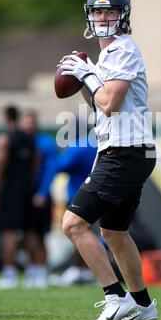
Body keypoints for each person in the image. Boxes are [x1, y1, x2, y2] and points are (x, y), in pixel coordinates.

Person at [58, 0, 158, 320]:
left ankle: (115, 297)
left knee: (73, 224)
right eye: (97, 11)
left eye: (109, 11)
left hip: (125, 152)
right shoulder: (109, 55)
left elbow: (111, 104)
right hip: (127, 150)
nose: (102, 16)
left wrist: (88, 73)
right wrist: (85, 79)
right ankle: (144, 306)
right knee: (114, 232)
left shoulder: (123, 50)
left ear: (122, 15)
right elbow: (98, 105)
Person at [40, 119, 97, 286]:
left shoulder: (78, 146)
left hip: (79, 194)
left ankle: (81, 270)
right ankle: (86, 270)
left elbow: (59, 166)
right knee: (90, 232)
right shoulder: (97, 144)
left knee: (78, 232)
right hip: (99, 193)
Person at [0, 106, 36, 289]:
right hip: (28, 189)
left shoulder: (4, 139)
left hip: (10, 191)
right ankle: (34, 273)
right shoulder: (29, 139)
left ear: (6, 118)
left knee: (9, 232)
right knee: (29, 230)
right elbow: (34, 166)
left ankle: (9, 274)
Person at [20, 109, 59, 288]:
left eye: (31, 122)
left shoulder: (45, 143)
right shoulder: (17, 142)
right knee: (26, 234)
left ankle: (42, 271)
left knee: (40, 234)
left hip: (40, 194)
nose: (29, 126)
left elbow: (51, 170)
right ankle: (32, 270)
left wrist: (42, 192)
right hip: (24, 195)